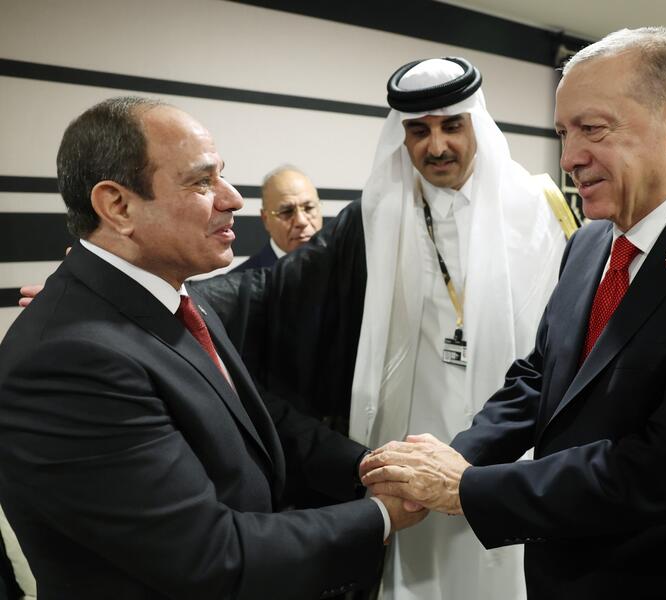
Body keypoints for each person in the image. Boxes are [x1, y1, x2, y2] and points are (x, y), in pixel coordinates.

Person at [361, 27, 666, 600]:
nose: (569, 159)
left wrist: (468, 489)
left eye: (593, 130)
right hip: (563, 570)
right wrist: (456, 455)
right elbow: (543, 376)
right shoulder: (592, 241)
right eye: (564, 133)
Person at [0, 96, 424, 599]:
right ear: (118, 206)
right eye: (202, 182)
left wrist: (369, 466)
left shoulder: (173, 297)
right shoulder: (68, 359)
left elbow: (247, 416)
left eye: (222, 175)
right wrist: (380, 515)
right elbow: (209, 556)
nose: (233, 199)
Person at [194, 57, 571, 600]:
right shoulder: (375, 216)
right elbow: (269, 291)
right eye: (418, 131)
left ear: (476, 124)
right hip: (410, 441)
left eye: (451, 126)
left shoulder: (540, 209)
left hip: (508, 441)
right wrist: (150, 292)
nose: (436, 146)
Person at [232, 165, 322, 272]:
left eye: (309, 208)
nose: (301, 221)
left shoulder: (343, 269)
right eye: (287, 211)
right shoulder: (240, 284)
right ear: (265, 219)